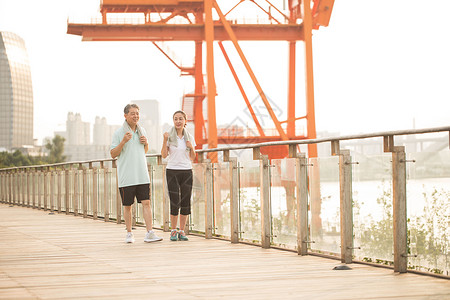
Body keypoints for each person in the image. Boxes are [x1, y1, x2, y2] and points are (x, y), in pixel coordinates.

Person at [110, 103, 163, 244]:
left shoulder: (142, 131)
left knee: (146, 203)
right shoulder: (118, 133)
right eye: (132, 113)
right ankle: (129, 233)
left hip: (142, 174)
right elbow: (113, 154)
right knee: (128, 206)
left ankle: (149, 233)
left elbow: (143, 151)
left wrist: (146, 144)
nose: (135, 116)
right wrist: (123, 142)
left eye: (137, 113)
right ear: (125, 116)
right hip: (126, 176)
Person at [161, 110, 196, 241]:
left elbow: (193, 157)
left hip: (187, 171)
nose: (178, 121)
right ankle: (173, 230)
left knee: (185, 202)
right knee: (174, 201)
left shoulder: (189, 137)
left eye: (181, 119)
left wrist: (191, 147)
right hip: (172, 171)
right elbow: (164, 155)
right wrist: (164, 140)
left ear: (185, 121)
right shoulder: (169, 136)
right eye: (176, 119)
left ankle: (182, 231)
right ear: (173, 121)